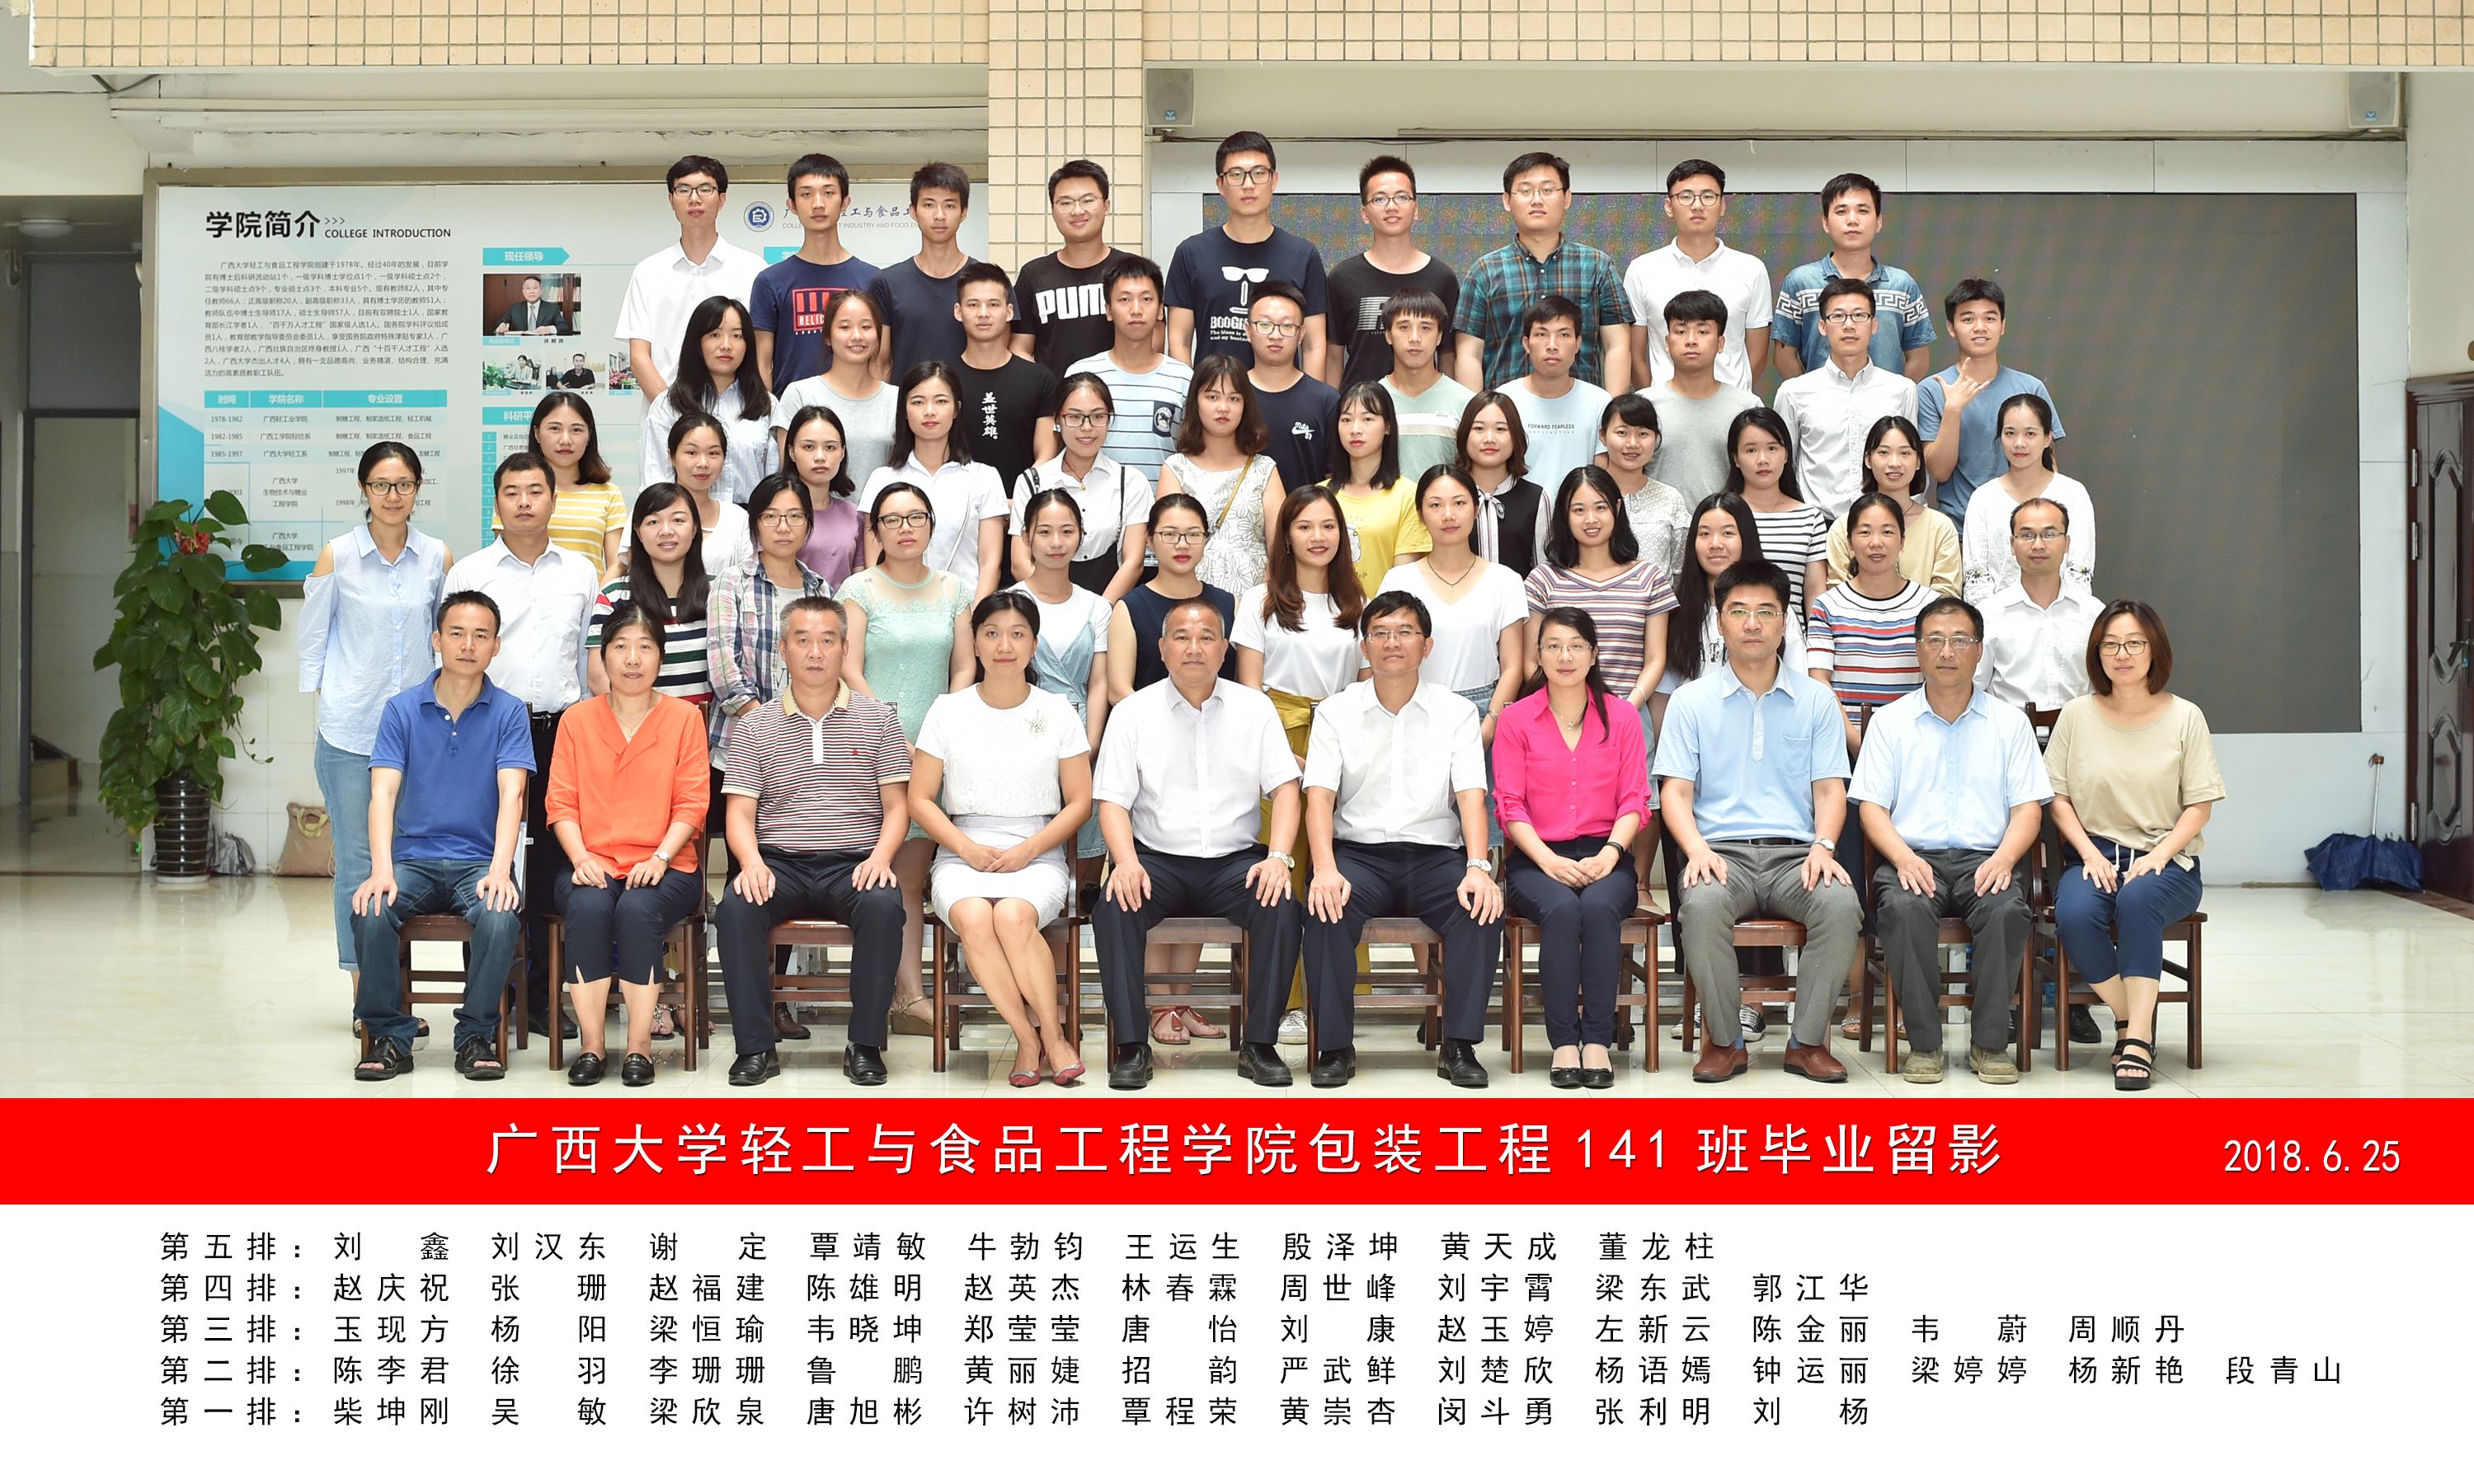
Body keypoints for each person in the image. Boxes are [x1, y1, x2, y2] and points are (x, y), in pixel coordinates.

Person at [1658, 559, 1860, 1085]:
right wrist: (1696, 850)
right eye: (1739, 611)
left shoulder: (1816, 700)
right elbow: (1675, 791)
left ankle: (1807, 1042)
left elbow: (1830, 789)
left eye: (1766, 612)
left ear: (1785, 623)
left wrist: (1824, 846)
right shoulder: (1690, 701)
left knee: (1841, 906)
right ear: (1719, 621)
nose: (1753, 624)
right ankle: (1726, 1042)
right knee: (1701, 906)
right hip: (1721, 854)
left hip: (1798, 856)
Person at [1092, 596, 1306, 1089]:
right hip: (1156, 863)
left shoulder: (1255, 708)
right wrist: (1125, 863)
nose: (1194, 648)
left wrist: (1278, 858)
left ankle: (1259, 1044)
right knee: (1114, 907)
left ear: (1225, 648)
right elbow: (1112, 802)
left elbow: (1285, 789)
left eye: (1207, 637)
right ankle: (1132, 1046)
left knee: (1281, 906)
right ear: (1162, 648)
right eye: (1182, 638)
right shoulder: (1133, 713)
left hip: (1235, 864)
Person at [1302, 589, 1502, 1087]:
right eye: (1381, 633)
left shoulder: (1456, 712)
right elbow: (1319, 798)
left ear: (1427, 646)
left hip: (1434, 856)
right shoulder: (1335, 712)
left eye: (1405, 632)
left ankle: (1459, 1045)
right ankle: (1335, 1047)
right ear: (1364, 647)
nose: (1392, 643)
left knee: (1480, 906)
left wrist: (1479, 866)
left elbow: (1472, 796)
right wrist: (1324, 868)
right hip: (1359, 856)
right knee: (1325, 907)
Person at [1850, 594, 2048, 1085]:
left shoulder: (2009, 723)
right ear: (1917, 649)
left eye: (1960, 640)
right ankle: (1925, 1044)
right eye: (1935, 640)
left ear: (1979, 650)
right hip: (1913, 856)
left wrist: (2005, 859)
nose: (1946, 652)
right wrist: (1901, 858)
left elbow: (2028, 808)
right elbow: (1871, 808)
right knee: (1903, 909)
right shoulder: (1891, 722)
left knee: (2006, 911)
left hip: (1988, 857)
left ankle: (1990, 1044)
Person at [714, 596, 912, 1087]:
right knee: (735, 909)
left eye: (827, 640)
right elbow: (739, 813)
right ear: (783, 650)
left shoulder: (879, 717)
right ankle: (755, 1048)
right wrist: (751, 863)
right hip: (779, 863)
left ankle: (864, 1045)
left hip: (854, 862)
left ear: (846, 648)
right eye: (803, 641)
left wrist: (882, 858)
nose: (816, 652)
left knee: (885, 906)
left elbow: (897, 808)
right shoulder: (755, 725)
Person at [444, 453, 601, 1041]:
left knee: (553, 863)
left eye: (536, 490)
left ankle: (541, 994)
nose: (525, 502)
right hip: (487, 728)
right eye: (512, 492)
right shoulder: (471, 573)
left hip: (562, 729)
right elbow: (453, 658)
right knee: (487, 857)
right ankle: (489, 996)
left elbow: (586, 660)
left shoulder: (580, 572)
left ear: (553, 500)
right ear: (497, 503)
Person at [910, 590, 1094, 1087]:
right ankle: (1029, 1038)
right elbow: (920, 799)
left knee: (1013, 917)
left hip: (1037, 848)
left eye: (1017, 634)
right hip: (962, 848)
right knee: (974, 917)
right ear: (974, 643)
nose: (1004, 646)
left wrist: (1028, 850)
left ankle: (1053, 1035)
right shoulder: (948, 710)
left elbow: (1079, 801)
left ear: (1034, 644)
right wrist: (965, 848)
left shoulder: (1058, 710)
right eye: (991, 634)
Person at [350, 590, 530, 1081]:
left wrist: (501, 871)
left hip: (479, 862)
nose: (468, 645)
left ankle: (475, 1036)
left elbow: (512, 794)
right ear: (436, 640)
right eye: (456, 633)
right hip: (413, 861)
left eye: (481, 635)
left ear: (496, 646)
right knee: (370, 909)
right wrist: (381, 871)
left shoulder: (510, 712)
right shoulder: (402, 710)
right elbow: (382, 794)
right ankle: (390, 1036)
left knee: (500, 915)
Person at [2046, 601, 2224, 1091]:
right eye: (2110, 645)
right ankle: (2131, 1018)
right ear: (2097, 653)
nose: (2121, 654)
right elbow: (2056, 797)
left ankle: (2138, 1038)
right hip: (2095, 855)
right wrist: (2087, 853)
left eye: (2133, 643)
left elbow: (2200, 806)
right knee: (2075, 913)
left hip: (2169, 861)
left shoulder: (2185, 716)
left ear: (2154, 650)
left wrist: (2159, 855)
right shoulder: (2077, 715)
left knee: (2137, 899)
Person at [303, 441, 451, 1032]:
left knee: (407, 865)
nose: (393, 495)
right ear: (363, 489)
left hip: (418, 738)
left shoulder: (436, 556)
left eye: (404, 484)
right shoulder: (337, 555)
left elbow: (445, 641)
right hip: (350, 733)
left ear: (418, 488)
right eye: (382, 485)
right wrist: (330, 706)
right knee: (359, 864)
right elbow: (313, 643)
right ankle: (369, 1001)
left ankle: (397, 993)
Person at [546, 601, 710, 1087]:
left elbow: (692, 803)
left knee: (639, 910)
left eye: (644, 647)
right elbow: (561, 802)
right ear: (603, 656)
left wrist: (660, 857)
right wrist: (580, 858)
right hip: (592, 860)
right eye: (620, 647)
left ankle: (639, 1047)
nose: (633, 659)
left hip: (668, 864)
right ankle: (593, 1046)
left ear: (660, 656)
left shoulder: (684, 718)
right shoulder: (577, 720)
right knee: (589, 907)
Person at [1235, 486, 1374, 1044]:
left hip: (1340, 742)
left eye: (1328, 526)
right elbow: (1249, 690)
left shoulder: (1357, 602)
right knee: (1286, 873)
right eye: (1305, 526)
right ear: (1286, 537)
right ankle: (1288, 1003)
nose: (1318, 537)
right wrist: (1283, 756)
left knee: (1338, 865)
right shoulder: (1259, 601)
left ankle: (1335, 998)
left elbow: (1365, 686)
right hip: (1278, 740)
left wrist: (1336, 754)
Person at [840, 481, 976, 1036]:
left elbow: (964, 666)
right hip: (870, 745)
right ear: (875, 530)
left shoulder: (955, 589)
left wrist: (940, 728)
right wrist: (890, 730)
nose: (905, 528)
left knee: (911, 878)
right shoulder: (858, 589)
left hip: (935, 748)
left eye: (916, 517)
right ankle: (882, 992)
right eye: (892, 519)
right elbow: (848, 667)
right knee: (876, 874)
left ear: (931, 526)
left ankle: (909, 995)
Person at [1493, 607, 1649, 1088]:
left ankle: (1597, 1041)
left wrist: (1611, 853)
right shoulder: (1516, 719)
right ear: (1538, 656)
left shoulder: (1622, 716)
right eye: (1554, 646)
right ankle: (1564, 1041)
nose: (1565, 656)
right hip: (1536, 856)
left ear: (1594, 654)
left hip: (1608, 852)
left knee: (1599, 908)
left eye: (1576, 646)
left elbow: (1634, 799)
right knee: (1561, 910)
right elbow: (1509, 805)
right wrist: (1548, 860)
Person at [1524, 466, 1676, 888]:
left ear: (1617, 510)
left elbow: (1656, 658)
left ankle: (1639, 886)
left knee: (1641, 798)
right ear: (1564, 516)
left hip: (1629, 707)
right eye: (1578, 510)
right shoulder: (1544, 578)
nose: (1590, 519)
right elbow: (1532, 659)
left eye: (1600, 508)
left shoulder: (1648, 576)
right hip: (1559, 715)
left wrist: (1626, 708)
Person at [1456, 151, 1630, 392]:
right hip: (1506, 412)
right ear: (1507, 200)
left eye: (1547, 190)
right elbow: (1469, 354)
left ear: (1567, 198)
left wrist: (1612, 410)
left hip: (1583, 411)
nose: (1537, 200)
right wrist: (1479, 412)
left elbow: (1616, 346)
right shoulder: (1484, 272)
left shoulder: (1598, 266)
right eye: (1525, 191)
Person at [1379, 467, 1529, 747]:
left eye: (1459, 503)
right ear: (1420, 515)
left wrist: (1489, 726)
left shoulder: (1505, 580)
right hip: (1411, 710)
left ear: (1476, 509)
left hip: (1482, 712)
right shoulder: (1398, 581)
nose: (1448, 515)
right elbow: (1381, 657)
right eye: (1436, 505)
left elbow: (1512, 667)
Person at [1167, 130, 1329, 373]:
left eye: (1259, 173)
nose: (1248, 185)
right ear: (1220, 185)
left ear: (1274, 180)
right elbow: (1179, 342)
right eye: (1236, 175)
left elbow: (1313, 346)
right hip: (1214, 392)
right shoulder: (1191, 253)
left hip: (1283, 394)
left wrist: (1311, 396)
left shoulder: (1303, 255)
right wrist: (1193, 392)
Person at [1012, 486, 1117, 861]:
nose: (1056, 543)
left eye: (1067, 531)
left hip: (1083, 734)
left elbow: (1099, 681)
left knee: (1084, 844)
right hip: (1021, 733)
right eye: (1044, 532)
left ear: (1081, 535)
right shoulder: (1010, 602)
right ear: (1026, 537)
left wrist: (1091, 743)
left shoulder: (1097, 607)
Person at [617, 156, 764, 402]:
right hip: (666, 413)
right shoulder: (649, 272)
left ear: (722, 199)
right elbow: (639, 356)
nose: (694, 199)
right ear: (671, 200)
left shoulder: (753, 269)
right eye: (684, 190)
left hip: (737, 410)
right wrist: (671, 411)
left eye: (705, 189)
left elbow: (761, 352)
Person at [857, 361, 1009, 599]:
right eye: (918, 402)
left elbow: (990, 564)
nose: (929, 411)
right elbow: (874, 564)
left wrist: (975, 615)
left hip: (965, 609)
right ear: (904, 410)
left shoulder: (984, 478)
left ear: (956, 409)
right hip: (896, 611)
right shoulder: (881, 479)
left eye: (941, 401)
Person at [1771, 277, 1920, 521]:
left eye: (1859, 316)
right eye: (1838, 316)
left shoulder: (1902, 390)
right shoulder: (1793, 393)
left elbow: (1911, 463)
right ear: (1822, 326)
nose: (1849, 325)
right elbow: (1783, 466)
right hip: (1816, 526)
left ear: (1874, 325)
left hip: (1884, 524)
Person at [1919, 278, 2066, 524]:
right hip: (1960, 529)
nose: (1980, 327)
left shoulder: (2030, 388)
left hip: (2024, 529)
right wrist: (1952, 410)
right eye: (1968, 319)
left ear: (2002, 325)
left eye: (1989, 318)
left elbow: (2048, 465)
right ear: (1951, 327)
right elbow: (1940, 472)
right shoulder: (1932, 389)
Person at [1771, 172, 1936, 383]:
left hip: (1886, 404)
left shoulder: (1902, 285)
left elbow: (1919, 358)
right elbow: (1784, 358)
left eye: (1863, 211)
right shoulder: (1800, 282)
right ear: (1825, 222)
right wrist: (1810, 396)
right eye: (1841, 211)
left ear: (1878, 222)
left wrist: (1893, 397)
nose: (1852, 220)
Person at [1625, 159, 1771, 392]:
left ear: (1722, 205)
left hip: (1733, 408)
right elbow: (1635, 355)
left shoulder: (1751, 269)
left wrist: (1731, 398)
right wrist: (1655, 401)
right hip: (1663, 408)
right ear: (1669, 206)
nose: (1697, 206)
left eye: (1708, 196)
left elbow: (1759, 354)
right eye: (1685, 197)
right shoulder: (1642, 269)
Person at [1808, 492, 1935, 756]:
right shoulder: (1828, 605)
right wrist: (1854, 740)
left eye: (1887, 532)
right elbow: (1819, 680)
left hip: (1916, 745)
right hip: (1844, 746)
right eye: (1865, 532)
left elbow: (1937, 679)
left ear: (1902, 541)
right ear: (1849, 542)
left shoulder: (1930, 605)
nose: (1876, 543)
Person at [1009, 373, 1153, 599]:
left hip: (1109, 606)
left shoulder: (1131, 482)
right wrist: (1056, 607)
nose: (1087, 427)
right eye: (1075, 417)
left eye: (1098, 416)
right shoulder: (1032, 481)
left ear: (1109, 418)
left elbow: (1133, 563)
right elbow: (1020, 563)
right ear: (1058, 420)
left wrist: (1100, 611)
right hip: (1041, 607)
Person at [1324, 156, 1461, 388]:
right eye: (1379, 199)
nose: (1391, 207)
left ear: (1415, 209)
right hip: (1361, 405)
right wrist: (1334, 407)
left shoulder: (1442, 278)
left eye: (1402, 197)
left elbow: (1448, 355)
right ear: (1365, 213)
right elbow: (1333, 357)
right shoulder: (1342, 277)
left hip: (1424, 405)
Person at [949, 263, 1061, 540]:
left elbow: (1046, 453)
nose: (983, 313)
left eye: (993, 304)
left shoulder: (1040, 379)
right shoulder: (943, 380)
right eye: (973, 305)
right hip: (958, 517)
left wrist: (1017, 499)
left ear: (1010, 312)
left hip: (1023, 516)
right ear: (958, 312)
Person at [749, 152, 876, 390]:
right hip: (791, 410)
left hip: (857, 406)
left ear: (845, 202)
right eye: (806, 194)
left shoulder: (872, 279)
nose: (818, 204)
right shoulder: (771, 281)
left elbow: (879, 361)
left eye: (828, 193)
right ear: (792, 205)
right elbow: (761, 364)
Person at [1160, 355, 1285, 598]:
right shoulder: (1175, 468)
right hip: (1190, 600)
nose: (1223, 408)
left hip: (1253, 601)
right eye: (1212, 397)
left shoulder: (1265, 469)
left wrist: (1259, 604)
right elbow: (1168, 545)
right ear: (1195, 402)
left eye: (1234, 398)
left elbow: (1279, 550)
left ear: (1246, 405)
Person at [1065, 256, 1192, 491]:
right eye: (1124, 299)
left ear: (1160, 310)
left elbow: (1192, 456)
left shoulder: (1184, 379)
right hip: (1093, 506)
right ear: (1109, 310)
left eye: (1146, 299)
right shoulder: (1081, 375)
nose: (1136, 309)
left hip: (1161, 508)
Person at [1012, 160, 1147, 375]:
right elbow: (1019, 348)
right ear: (1053, 210)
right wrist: (1043, 388)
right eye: (1065, 203)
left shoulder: (1133, 271)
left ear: (1106, 206)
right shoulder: (1033, 275)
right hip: (1054, 396)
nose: (1077, 211)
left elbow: (1153, 341)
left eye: (1088, 201)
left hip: (1120, 394)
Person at [641, 295, 777, 505]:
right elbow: (655, 483)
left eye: (737, 336)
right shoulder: (667, 406)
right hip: (687, 519)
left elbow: (775, 484)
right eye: (715, 334)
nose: (726, 345)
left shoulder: (767, 405)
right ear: (697, 342)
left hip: (751, 520)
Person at [1961, 392, 2096, 602]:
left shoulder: (2073, 493)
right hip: (1996, 617)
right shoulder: (1983, 498)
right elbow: (1976, 577)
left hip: (2064, 615)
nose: (2019, 443)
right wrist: (1994, 616)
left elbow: (2079, 573)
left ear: (2048, 438)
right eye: (2010, 433)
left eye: (2030, 433)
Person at [591, 483, 715, 709]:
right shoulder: (614, 596)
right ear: (637, 532)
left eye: (678, 520)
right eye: (653, 522)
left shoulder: (719, 592)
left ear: (695, 528)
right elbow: (599, 679)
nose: (666, 530)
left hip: (707, 726)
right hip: (636, 725)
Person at [1975, 495, 2103, 710]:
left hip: (2080, 730)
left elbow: (2108, 689)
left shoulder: (2093, 613)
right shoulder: (1988, 615)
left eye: (2049, 534)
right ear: (2012, 544)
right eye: (2027, 535)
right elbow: (1974, 687)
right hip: (2010, 730)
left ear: (2067, 543)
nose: (2038, 545)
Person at [1108, 492, 1238, 702]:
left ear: (1206, 539)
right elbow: (1118, 691)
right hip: (1150, 721)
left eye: (1193, 534)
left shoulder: (1231, 605)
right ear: (1150, 540)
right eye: (1170, 534)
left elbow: (1242, 685)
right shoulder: (1129, 609)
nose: (1182, 544)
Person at [771, 288, 901, 483]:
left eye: (866, 327)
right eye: (845, 327)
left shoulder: (897, 398)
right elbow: (788, 476)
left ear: (878, 335)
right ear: (827, 336)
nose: (857, 336)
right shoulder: (800, 394)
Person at [1315, 380, 1433, 592]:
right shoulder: (1321, 495)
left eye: (1367, 419)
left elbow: (1402, 582)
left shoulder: (1408, 495)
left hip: (1384, 610)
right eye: (1346, 420)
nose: (1355, 429)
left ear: (1388, 426)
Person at [1644, 290, 1764, 500]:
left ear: (1720, 343)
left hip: (1727, 519)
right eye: (1681, 331)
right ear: (1667, 342)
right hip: (1657, 521)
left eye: (1702, 331)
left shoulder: (1746, 407)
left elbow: (1760, 476)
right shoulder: (1645, 405)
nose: (1691, 340)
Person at [1498, 296, 1615, 510]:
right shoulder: (1505, 400)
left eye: (1564, 335)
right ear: (1526, 344)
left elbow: (1602, 473)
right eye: (1541, 334)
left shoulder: (1599, 401)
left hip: (1578, 518)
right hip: (1516, 516)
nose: (1552, 346)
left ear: (1578, 344)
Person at [1826, 415, 1960, 596]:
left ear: (1918, 461)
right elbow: (1837, 595)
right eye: (1884, 452)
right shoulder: (1844, 527)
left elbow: (1946, 596)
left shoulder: (1940, 527)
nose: (1894, 463)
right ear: (1868, 459)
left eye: (1905, 453)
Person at [868, 162, 976, 380]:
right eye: (929, 205)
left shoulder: (985, 282)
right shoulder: (886, 283)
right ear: (913, 211)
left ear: (964, 212)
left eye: (949, 205)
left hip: (970, 401)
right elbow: (881, 365)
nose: (939, 215)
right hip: (906, 401)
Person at [1728, 406, 1830, 618]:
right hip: (1732, 631)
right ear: (1736, 458)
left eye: (1772, 448)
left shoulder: (1810, 518)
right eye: (1751, 450)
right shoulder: (1723, 514)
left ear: (1786, 454)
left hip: (1792, 634)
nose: (1763, 459)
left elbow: (1815, 592)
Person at [1245, 280, 1341, 496]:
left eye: (1287, 326)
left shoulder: (1326, 400)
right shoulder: (1232, 396)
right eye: (1265, 324)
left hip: (1307, 515)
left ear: (1301, 334)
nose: (1276, 335)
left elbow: (1334, 480)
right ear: (1248, 330)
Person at [521, 392, 626, 579]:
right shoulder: (518, 493)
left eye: (576, 430)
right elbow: (506, 560)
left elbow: (617, 565)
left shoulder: (609, 493)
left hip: (591, 596)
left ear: (589, 436)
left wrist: (597, 596)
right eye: (555, 429)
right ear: (537, 433)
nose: (565, 440)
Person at [1592, 392, 1690, 581]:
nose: (1632, 444)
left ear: (1656, 438)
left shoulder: (1670, 498)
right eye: (1622, 433)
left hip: (1658, 600)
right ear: (1603, 436)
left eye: (1643, 434)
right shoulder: (1586, 495)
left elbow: (1680, 571)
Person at [645, 411, 755, 576]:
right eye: (692, 453)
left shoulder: (738, 519)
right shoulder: (649, 511)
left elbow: (748, 580)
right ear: (672, 456)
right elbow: (627, 568)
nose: (703, 463)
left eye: (713, 453)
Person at [1380, 289, 1475, 477]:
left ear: (1439, 337)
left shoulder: (1466, 402)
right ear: (1389, 335)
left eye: (1425, 328)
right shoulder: (1373, 401)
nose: (1415, 338)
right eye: (1404, 327)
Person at [1453, 392, 1545, 578]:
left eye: (1501, 429)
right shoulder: (1449, 496)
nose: (1489, 438)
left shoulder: (1535, 497)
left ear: (1515, 436)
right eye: (1479, 428)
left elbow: (1543, 572)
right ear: (1464, 435)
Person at [781, 403, 868, 590]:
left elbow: (859, 581)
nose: (820, 456)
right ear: (792, 452)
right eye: (809, 447)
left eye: (830, 447)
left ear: (842, 452)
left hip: (842, 607)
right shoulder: (775, 513)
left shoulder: (853, 514)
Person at [494, 274, 572, 336]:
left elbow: (564, 328)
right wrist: (501, 326)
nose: (531, 292)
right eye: (528, 288)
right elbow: (500, 322)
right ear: (523, 291)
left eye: (535, 288)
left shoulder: (552, 308)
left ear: (541, 290)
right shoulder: (515, 308)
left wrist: (549, 329)